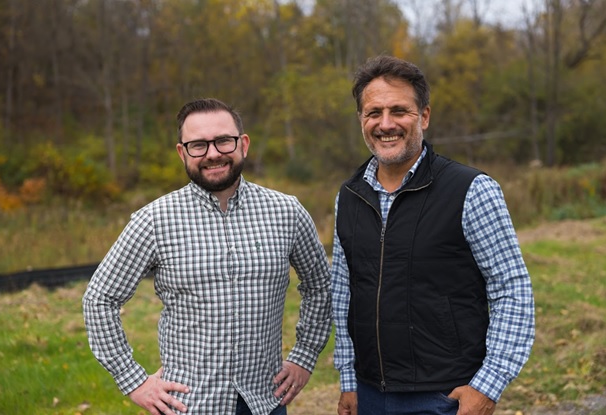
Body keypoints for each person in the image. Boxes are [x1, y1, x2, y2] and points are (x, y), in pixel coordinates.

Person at [83, 98, 332, 415]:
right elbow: (100, 299)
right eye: (198, 145)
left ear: (243, 144)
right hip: (189, 405)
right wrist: (134, 381)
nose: (213, 153)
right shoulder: (153, 221)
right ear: (181, 152)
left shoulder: (287, 212)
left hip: (265, 404)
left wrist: (305, 355)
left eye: (223, 141)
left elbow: (320, 285)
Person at [331, 55, 535, 415]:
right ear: (361, 119)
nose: (386, 123)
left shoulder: (472, 190)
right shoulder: (348, 197)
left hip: (445, 396)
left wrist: (488, 386)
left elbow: (512, 288)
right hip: (369, 393)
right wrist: (349, 380)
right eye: (373, 112)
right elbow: (343, 292)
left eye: (399, 111)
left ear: (424, 116)